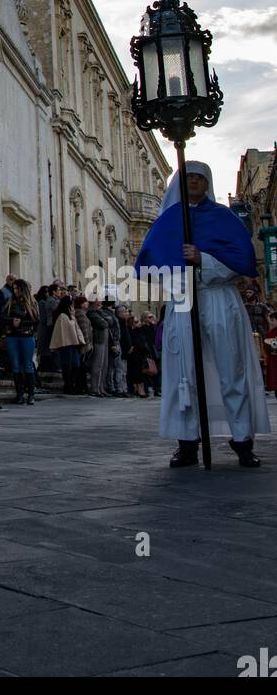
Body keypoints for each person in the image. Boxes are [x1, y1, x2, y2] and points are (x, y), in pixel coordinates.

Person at [135, 161, 270, 468]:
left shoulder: (223, 217)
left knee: (231, 366)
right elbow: (153, 267)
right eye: (189, 178)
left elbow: (241, 261)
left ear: (207, 183)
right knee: (184, 371)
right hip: (184, 300)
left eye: (199, 178)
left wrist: (203, 260)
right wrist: (180, 273)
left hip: (219, 298)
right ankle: (187, 442)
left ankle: (242, 440)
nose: (194, 182)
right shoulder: (169, 221)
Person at [0, 279, 39, 405]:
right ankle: (20, 394)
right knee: (15, 364)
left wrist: (21, 322)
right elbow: (3, 317)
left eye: (17, 289)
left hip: (27, 336)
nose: (15, 291)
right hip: (12, 336)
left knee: (28, 364)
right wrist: (12, 321)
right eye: (14, 289)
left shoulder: (32, 303)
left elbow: (36, 321)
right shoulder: (10, 302)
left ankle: (31, 394)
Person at [50, 296, 85, 393]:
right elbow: (67, 327)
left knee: (76, 364)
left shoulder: (70, 315)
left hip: (73, 343)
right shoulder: (62, 316)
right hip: (66, 343)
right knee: (67, 365)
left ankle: (71, 383)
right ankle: (68, 385)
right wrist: (73, 318)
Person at [86, 295, 110, 397]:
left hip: (105, 341)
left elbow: (110, 321)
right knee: (97, 365)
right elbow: (103, 324)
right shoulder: (91, 312)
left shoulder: (100, 312)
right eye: (98, 298)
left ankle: (101, 387)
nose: (100, 300)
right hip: (98, 340)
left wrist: (106, 320)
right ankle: (95, 388)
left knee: (104, 365)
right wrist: (106, 320)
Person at [73, 295, 93, 394]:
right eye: (85, 302)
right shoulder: (80, 314)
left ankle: (82, 386)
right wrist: (87, 343)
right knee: (82, 367)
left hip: (84, 344)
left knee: (82, 367)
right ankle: (81, 386)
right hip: (83, 344)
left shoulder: (81, 313)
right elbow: (84, 329)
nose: (87, 303)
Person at [264, 312, 277, 398]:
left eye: (273, 320)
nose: (271, 322)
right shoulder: (270, 333)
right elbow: (266, 348)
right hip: (274, 362)